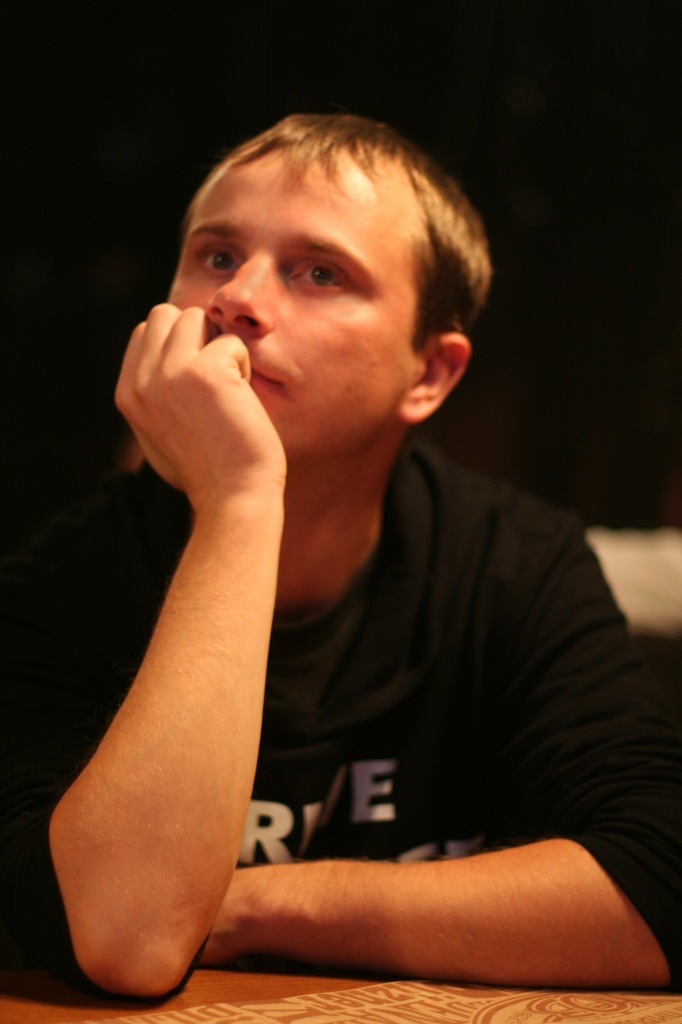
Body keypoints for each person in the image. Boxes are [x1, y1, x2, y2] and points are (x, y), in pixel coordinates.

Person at [1, 113, 681, 999]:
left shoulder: (513, 562)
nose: (237, 298)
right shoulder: (69, 578)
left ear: (429, 374)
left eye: (319, 272)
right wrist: (241, 503)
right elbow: (126, 936)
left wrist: (252, 906)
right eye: (216, 255)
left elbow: (660, 887)